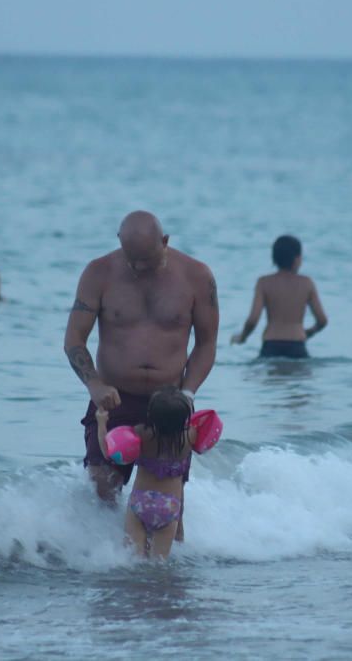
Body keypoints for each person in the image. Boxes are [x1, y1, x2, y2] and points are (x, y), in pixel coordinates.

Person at [64, 210, 219, 540]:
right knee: (102, 485)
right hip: (115, 398)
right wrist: (93, 383)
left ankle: (170, 572)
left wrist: (188, 394)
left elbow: (207, 344)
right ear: (119, 242)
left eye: (147, 262)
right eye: (132, 261)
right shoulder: (98, 273)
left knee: (170, 496)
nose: (138, 270)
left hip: (170, 404)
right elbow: (74, 339)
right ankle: (107, 565)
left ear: (165, 241)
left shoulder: (197, 276)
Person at [96, 387, 197, 559]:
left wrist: (101, 423)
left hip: (140, 503)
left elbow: (108, 451)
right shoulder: (190, 436)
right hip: (169, 507)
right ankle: (159, 584)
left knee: (133, 559)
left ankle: (135, 584)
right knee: (159, 563)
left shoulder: (141, 433)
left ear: (150, 414)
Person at [231, 235, 327, 358]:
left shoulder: (263, 283)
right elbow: (322, 320)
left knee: (272, 376)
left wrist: (242, 337)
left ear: (274, 258)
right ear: (297, 259)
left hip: (271, 345)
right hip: (297, 345)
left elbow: (252, 319)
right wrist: (308, 332)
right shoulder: (306, 283)